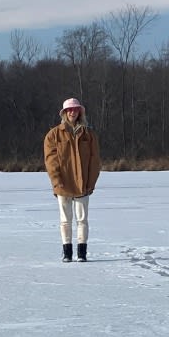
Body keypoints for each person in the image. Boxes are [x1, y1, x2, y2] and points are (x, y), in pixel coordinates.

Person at [43, 98, 101, 262]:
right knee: (65, 220)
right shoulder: (54, 135)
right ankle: (67, 252)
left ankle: (82, 253)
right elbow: (51, 161)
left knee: (82, 220)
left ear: (80, 112)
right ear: (64, 113)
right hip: (63, 184)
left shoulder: (88, 135)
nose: (72, 112)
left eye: (75, 110)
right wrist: (56, 182)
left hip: (83, 184)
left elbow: (94, 160)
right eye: (69, 110)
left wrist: (91, 182)